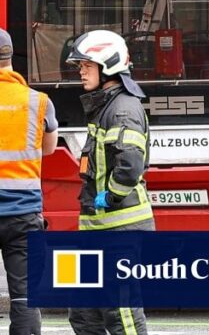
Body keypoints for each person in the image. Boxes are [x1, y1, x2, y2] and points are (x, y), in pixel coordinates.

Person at [64, 30, 152, 335]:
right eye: (80, 67)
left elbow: (129, 165)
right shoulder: (104, 106)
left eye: (86, 67)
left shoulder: (123, 109)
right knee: (84, 314)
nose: (81, 73)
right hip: (96, 228)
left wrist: (110, 196)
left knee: (121, 311)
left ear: (109, 66)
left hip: (120, 229)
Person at [0, 28, 58, 335]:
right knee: (24, 297)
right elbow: (47, 148)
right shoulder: (39, 102)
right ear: (11, 57)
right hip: (23, 215)